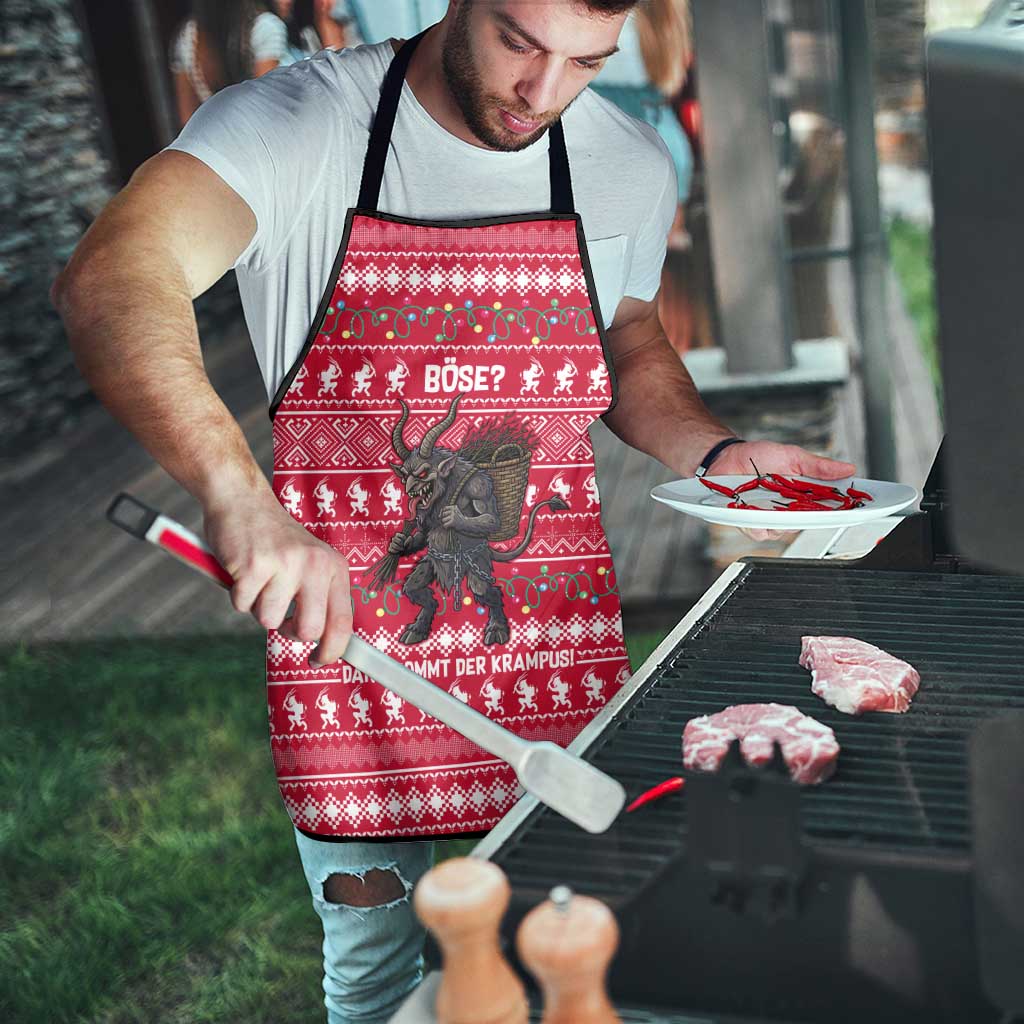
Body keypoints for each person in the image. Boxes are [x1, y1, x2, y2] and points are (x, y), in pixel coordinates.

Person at [53, 2, 855, 1020]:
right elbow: (114, 276)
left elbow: (627, 338)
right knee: (378, 977)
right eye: (520, 42)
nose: (543, 93)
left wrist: (716, 450)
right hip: (352, 663)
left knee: (584, 956)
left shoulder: (625, 161)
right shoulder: (298, 126)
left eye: (586, 62)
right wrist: (237, 495)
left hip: (551, 648)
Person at [170, 0, 289, 126]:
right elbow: (266, 107)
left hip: (216, 134)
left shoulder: (188, 37)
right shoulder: (265, 27)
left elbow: (188, 120)